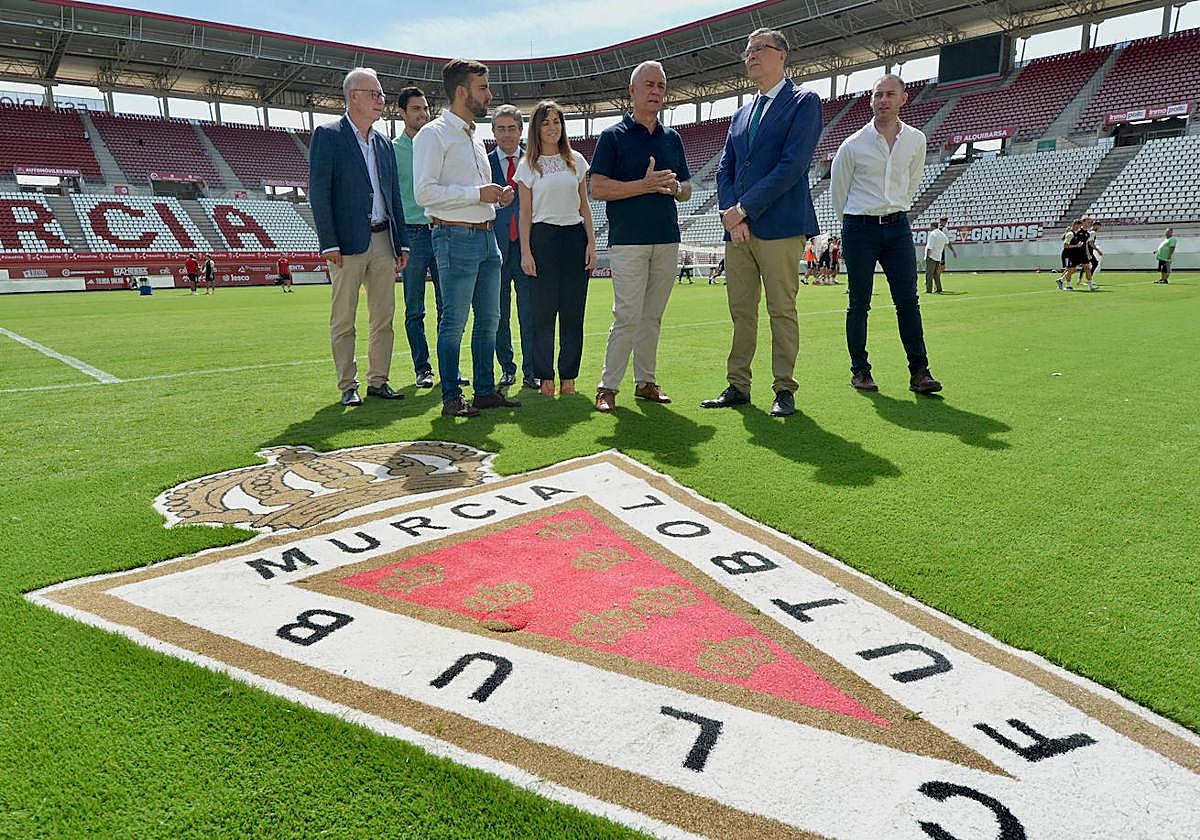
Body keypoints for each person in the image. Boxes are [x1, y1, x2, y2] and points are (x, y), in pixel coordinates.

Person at [701, 28, 821, 418]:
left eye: (759, 49)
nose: (750, 56)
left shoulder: (804, 102)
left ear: (782, 55)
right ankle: (738, 385)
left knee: (781, 309)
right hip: (738, 230)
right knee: (741, 310)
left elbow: (793, 165)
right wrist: (729, 214)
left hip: (780, 225)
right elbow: (726, 168)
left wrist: (744, 209)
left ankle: (784, 388)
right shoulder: (740, 113)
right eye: (747, 51)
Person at [413, 58, 520, 418]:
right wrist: (478, 194)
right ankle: (450, 398)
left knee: (490, 318)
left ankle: (485, 390)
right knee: (455, 320)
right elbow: (424, 193)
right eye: (483, 88)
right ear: (462, 92)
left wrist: (496, 197)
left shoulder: (473, 137)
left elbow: (475, 192)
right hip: (454, 236)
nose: (489, 95)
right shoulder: (434, 134)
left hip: (487, 235)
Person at [590, 60, 692, 413]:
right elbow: (597, 187)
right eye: (649, 84)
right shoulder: (612, 137)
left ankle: (645, 381)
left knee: (653, 315)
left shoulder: (672, 138)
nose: (656, 91)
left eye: (661, 86)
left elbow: (688, 188)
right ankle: (607, 386)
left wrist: (674, 186)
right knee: (628, 314)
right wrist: (643, 185)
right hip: (628, 239)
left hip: (666, 236)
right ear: (632, 91)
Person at [830, 73, 941, 395]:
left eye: (890, 94)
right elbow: (840, 195)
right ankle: (860, 371)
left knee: (908, 301)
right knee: (859, 303)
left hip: (898, 227)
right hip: (859, 227)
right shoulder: (852, 145)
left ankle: (919, 372)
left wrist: (895, 209)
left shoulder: (916, 140)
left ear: (903, 98)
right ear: (871, 100)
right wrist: (856, 223)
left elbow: (912, 180)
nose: (883, 100)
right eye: (878, 95)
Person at [309, 66, 410, 407]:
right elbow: (319, 193)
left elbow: (393, 193)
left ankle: (379, 380)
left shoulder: (383, 143)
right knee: (344, 317)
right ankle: (347, 384)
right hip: (347, 243)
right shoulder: (329, 135)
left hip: (383, 238)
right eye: (374, 94)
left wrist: (402, 241)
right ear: (352, 97)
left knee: (384, 316)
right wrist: (329, 242)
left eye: (381, 94)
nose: (381, 100)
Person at [515, 100, 595, 397]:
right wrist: (526, 252)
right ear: (537, 128)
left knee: (573, 312)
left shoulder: (576, 160)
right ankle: (545, 376)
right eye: (546, 123)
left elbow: (584, 206)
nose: (552, 128)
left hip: (574, 239)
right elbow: (524, 213)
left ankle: (569, 377)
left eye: (557, 122)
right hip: (543, 238)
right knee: (543, 313)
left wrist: (591, 244)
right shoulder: (528, 166)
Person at [393, 85, 444, 390]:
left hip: (440, 230)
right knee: (415, 308)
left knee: (447, 307)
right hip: (410, 234)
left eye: (425, 108)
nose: (423, 114)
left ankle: (447, 369)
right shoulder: (392, 149)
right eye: (416, 109)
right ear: (401, 113)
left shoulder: (436, 144)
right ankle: (422, 368)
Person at [488, 104, 537, 391]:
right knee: (499, 315)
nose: (507, 135)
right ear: (493, 132)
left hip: (527, 249)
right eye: (501, 128)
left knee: (530, 313)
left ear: (521, 131)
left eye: (512, 128)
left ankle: (533, 371)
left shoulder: (533, 162)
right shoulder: (483, 162)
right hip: (494, 249)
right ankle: (507, 368)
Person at [924, 218, 956, 294]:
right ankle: (939, 288)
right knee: (936, 274)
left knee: (929, 274)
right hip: (938, 256)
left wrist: (927, 256)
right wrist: (953, 251)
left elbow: (929, 247)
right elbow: (948, 243)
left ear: (932, 226)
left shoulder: (932, 234)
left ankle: (929, 290)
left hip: (931, 256)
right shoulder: (942, 234)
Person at [1087, 221, 1103, 286]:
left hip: (1087, 250)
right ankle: (1089, 279)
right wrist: (1098, 250)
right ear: (1096, 225)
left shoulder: (1089, 231)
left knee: (1086, 266)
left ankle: (1088, 279)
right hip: (1088, 251)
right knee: (1094, 263)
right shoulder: (1093, 232)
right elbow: (1091, 243)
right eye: (1099, 226)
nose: (1099, 228)